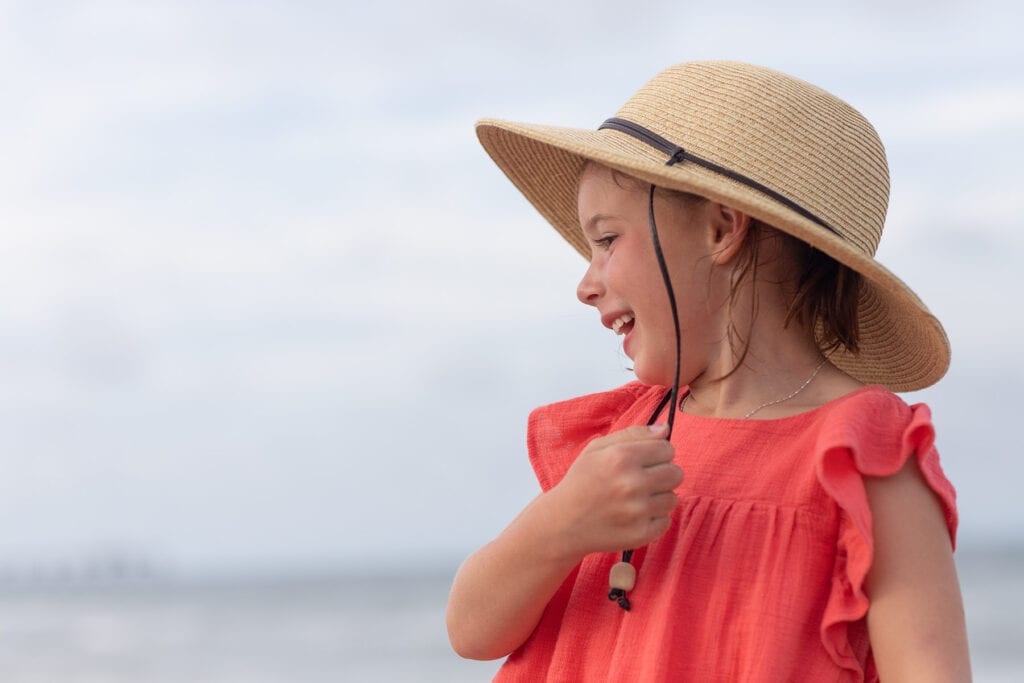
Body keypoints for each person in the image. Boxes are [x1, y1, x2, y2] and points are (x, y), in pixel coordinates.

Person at [446, 61, 970, 681]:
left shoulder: (863, 457)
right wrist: (558, 525)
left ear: (723, 228)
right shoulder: (618, 438)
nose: (585, 286)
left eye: (607, 239)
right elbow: (471, 631)